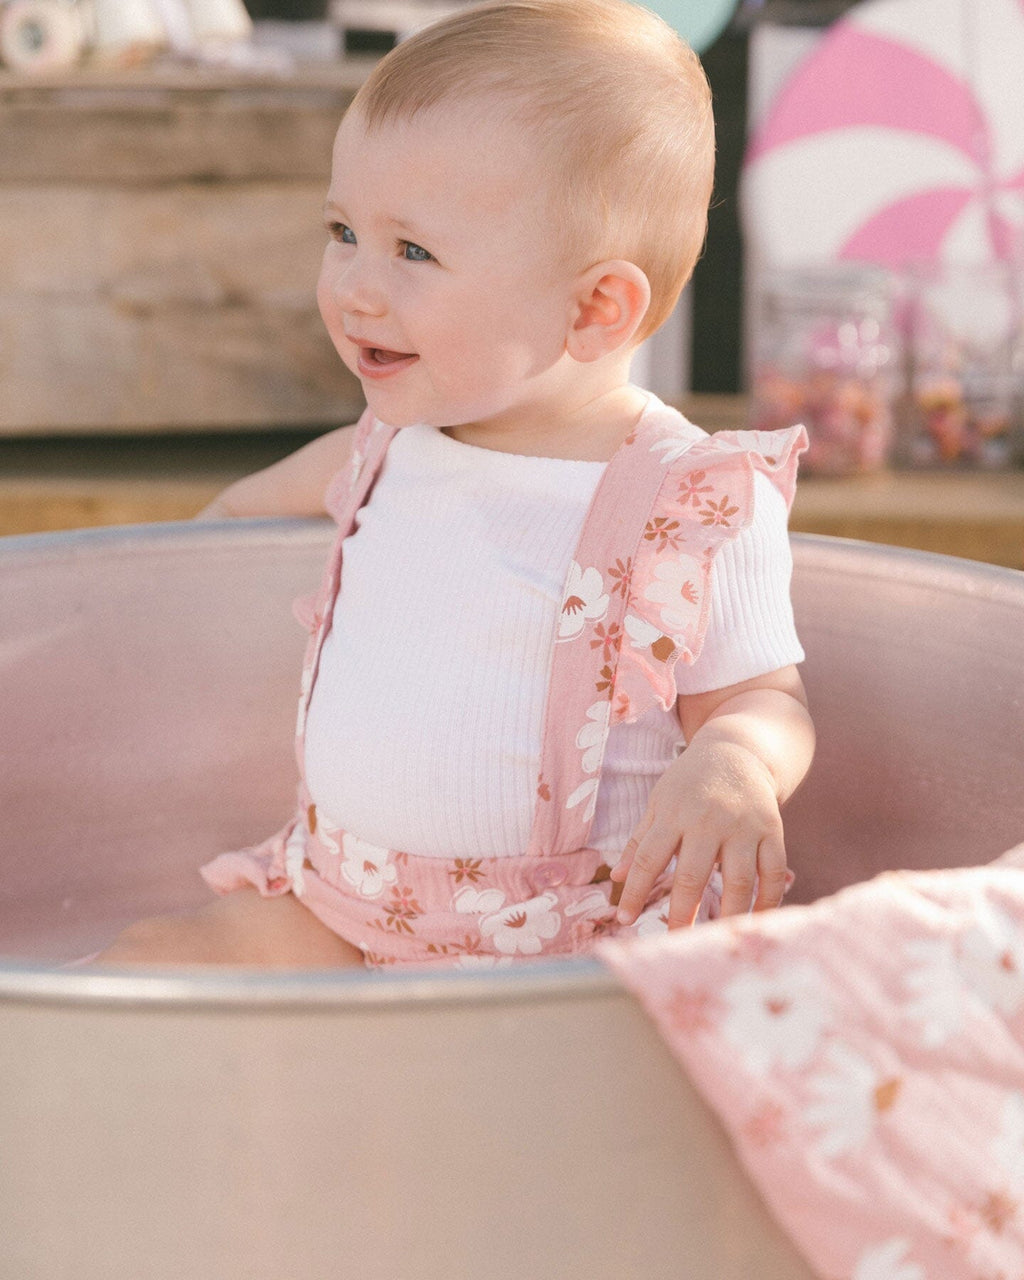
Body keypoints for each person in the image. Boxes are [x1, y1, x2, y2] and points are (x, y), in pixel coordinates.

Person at [94, 0, 815, 970]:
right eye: (342, 229)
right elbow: (206, 541)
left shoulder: (694, 503)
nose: (353, 285)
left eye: (413, 251)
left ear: (595, 306)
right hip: (339, 907)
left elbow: (763, 696)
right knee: (144, 969)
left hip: (571, 956)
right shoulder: (381, 448)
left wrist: (732, 762)